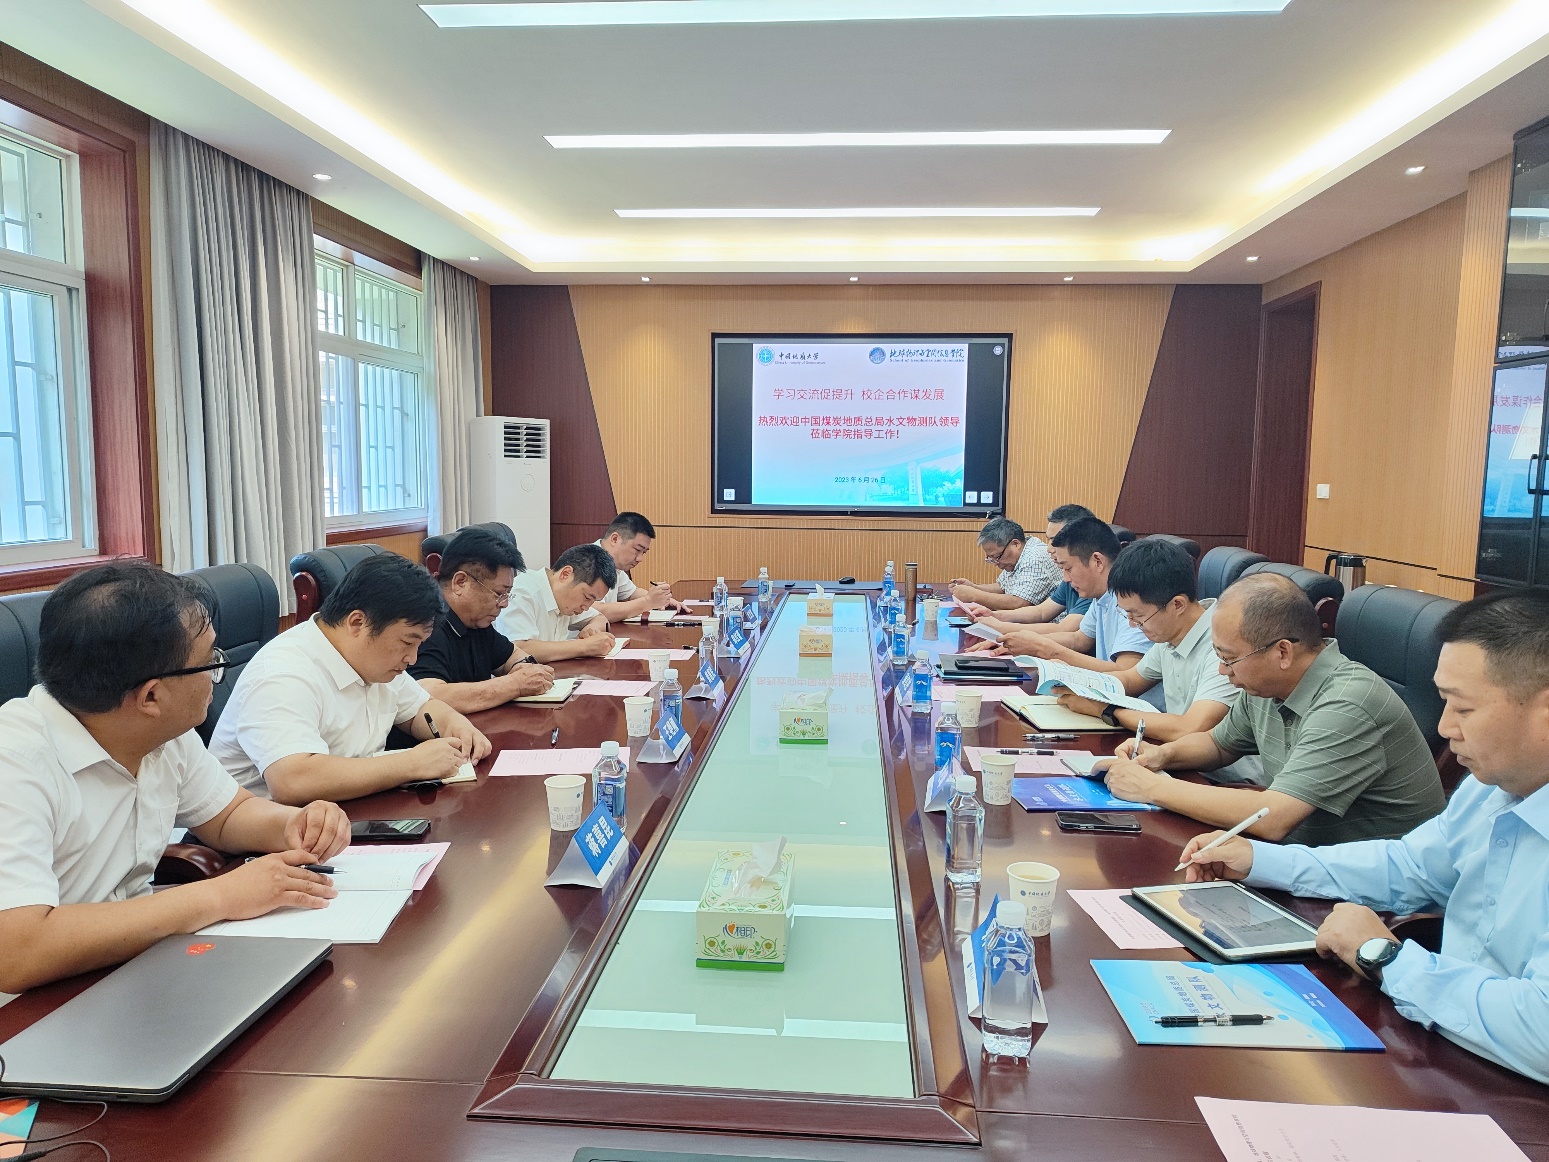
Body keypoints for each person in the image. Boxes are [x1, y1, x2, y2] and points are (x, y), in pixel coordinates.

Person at [1178, 587, 1549, 1084]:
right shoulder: (1492, 789)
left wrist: (1385, 957)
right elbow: (1409, 868)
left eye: (1462, 709)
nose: (1444, 727)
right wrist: (1259, 861)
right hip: (1443, 1049)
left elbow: (1541, 1031)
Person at [0, 562, 349, 993]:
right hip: (32, 1007)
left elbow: (227, 815)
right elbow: (18, 951)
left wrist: (294, 824)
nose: (217, 674)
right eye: (210, 661)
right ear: (151, 696)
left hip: (131, 967)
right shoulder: (14, 763)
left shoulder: (162, 733)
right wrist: (222, 896)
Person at [1102, 572, 1445, 844]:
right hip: (1301, 858)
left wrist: (1152, 788)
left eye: (1228, 658)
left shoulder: (1347, 703)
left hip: (1366, 891)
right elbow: (1219, 744)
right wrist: (1161, 756)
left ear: (1282, 652)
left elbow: (1274, 818)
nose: (1222, 670)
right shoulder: (1265, 685)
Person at [211, 553, 490, 805]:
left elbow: (420, 709)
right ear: (357, 623)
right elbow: (293, 781)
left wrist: (455, 725)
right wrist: (412, 763)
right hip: (265, 835)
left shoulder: (373, 659)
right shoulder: (284, 673)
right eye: (407, 642)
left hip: (345, 815)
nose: (413, 658)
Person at [1053, 538, 1242, 741]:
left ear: (1177, 605)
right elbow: (1129, 680)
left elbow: (1191, 727)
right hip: (1173, 750)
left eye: (1139, 616)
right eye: (1128, 615)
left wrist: (1106, 710)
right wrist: (1076, 680)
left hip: (1207, 758)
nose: (1133, 624)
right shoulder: (1171, 635)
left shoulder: (1223, 647)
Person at [978, 518, 1162, 706]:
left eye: (1068, 568)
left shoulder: (1134, 601)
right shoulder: (1101, 595)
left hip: (1135, 709)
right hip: (1109, 700)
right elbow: (1078, 639)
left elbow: (1125, 672)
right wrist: (1021, 641)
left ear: (1097, 561)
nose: (1065, 579)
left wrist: (1046, 649)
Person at [408, 527, 556, 712]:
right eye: (499, 594)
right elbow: (428, 696)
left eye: (507, 595)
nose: (504, 604)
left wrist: (524, 669)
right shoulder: (425, 624)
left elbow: (512, 656)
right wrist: (515, 685)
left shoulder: (477, 622)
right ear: (460, 582)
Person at [960, 504, 1097, 633]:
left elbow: (1071, 636)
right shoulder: (1069, 575)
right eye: (1048, 540)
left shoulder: (1092, 581)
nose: (1048, 549)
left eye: (1055, 541)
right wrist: (994, 615)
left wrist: (1001, 627)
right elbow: (1041, 612)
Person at [495, 543, 619, 662]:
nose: (586, 607)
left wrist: (591, 631)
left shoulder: (564, 599)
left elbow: (599, 618)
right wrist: (585, 646)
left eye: (593, 601)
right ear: (565, 574)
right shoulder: (523, 592)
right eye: (587, 597)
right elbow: (518, 649)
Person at [946, 516, 1062, 612]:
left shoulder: (1034, 558)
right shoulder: (1019, 554)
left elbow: (1020, 603)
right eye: (991, 558)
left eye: (997, 556)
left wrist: (974, 595)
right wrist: (973, 587)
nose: (996, 563)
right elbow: (1003, 587)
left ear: (1015, 544)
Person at [586, 512, 683, 624]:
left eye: (643, 552)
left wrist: (663, 600)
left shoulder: (614, 563)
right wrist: (648, 602)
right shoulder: (588, 562)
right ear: (615, 539)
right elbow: (596, 612)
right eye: (637, 550)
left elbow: (631, 593)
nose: (640, 558)